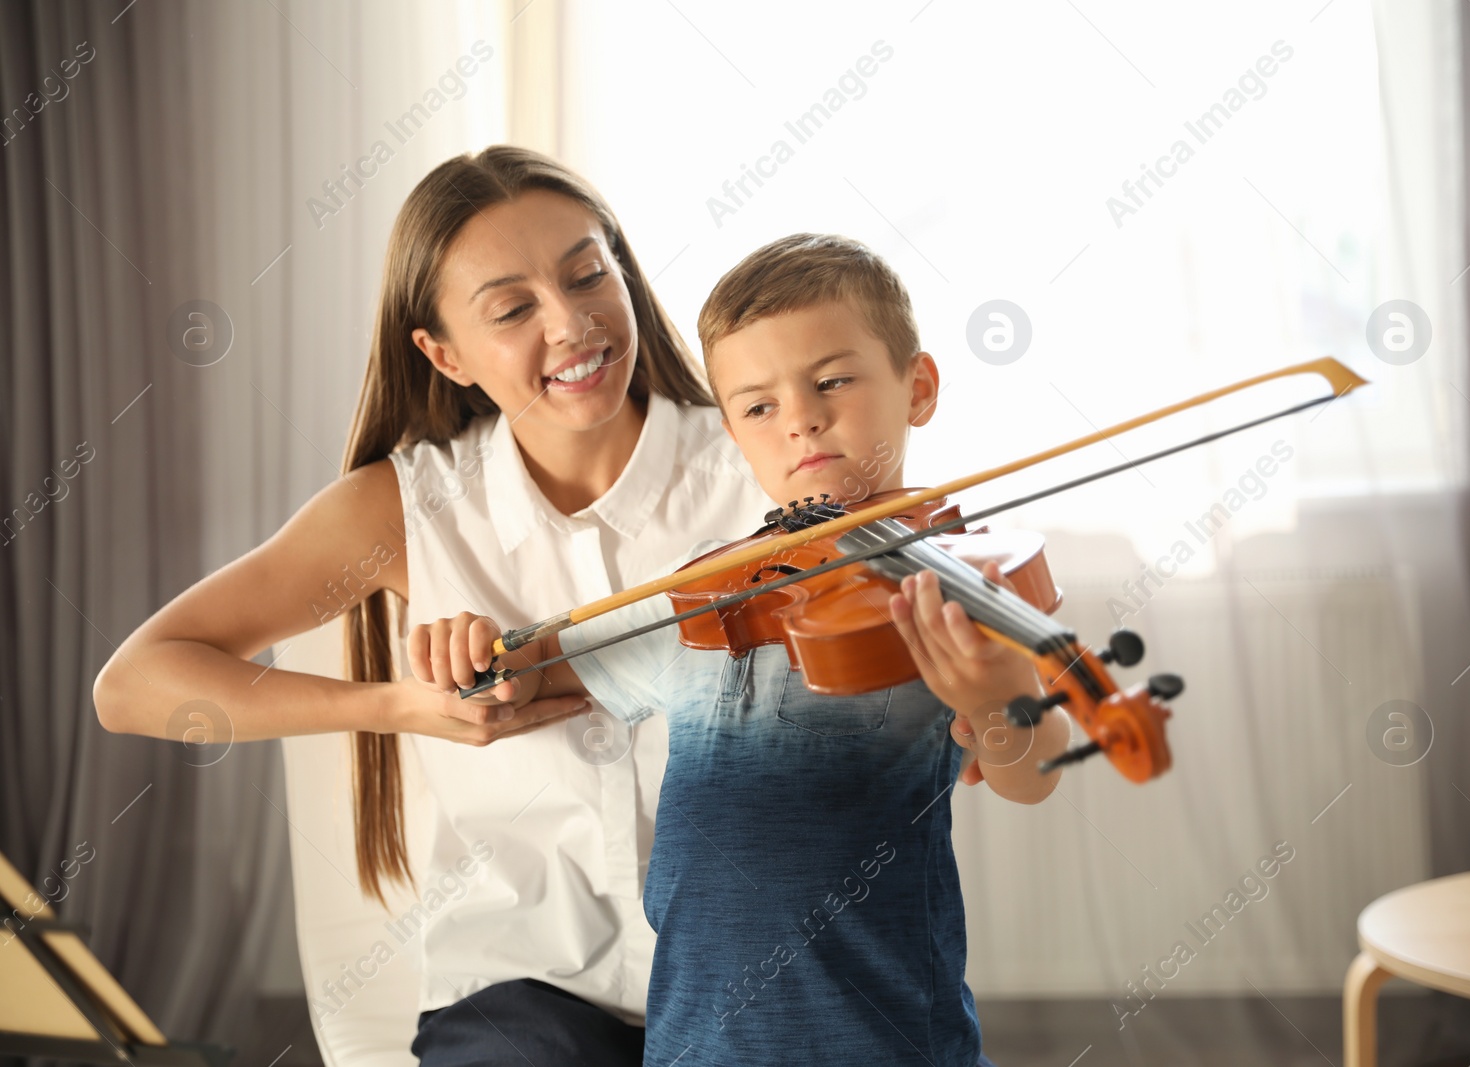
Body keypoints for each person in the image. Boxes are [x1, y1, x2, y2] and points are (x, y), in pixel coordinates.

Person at [93, 146, 776, 1066]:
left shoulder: (761, 461)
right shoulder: (406, 508)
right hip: (522, 987)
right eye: (513, 309)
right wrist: (399, 707)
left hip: (753, 960)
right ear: (444, 353)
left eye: (587, 275)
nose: (572, 325)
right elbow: (133, 684)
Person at [413, 234, 1072, 1066]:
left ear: (919, 387)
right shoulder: (703, 595)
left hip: (886, 1036)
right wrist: (478, 649)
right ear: (731, 430)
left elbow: (1032, 770)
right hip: (699, 1041)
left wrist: (995, 698)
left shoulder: (949, 591)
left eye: (832, 380)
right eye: (759, 407)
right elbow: (524, 675)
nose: (800, 417)